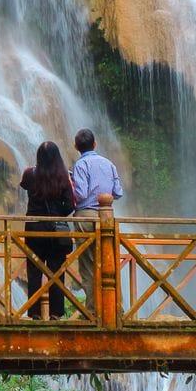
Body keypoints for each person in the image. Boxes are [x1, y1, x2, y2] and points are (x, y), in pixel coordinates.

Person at [20, 141, 76, 320]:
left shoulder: (29, 174)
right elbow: (70, 205)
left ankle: (35, 313)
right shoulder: (64, 177)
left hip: (34, 227)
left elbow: (25, 185)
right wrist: (57, 214)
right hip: (56, 230)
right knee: (56, 271)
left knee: (34, 270)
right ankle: (55, 313)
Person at [71, 128, 122, 312]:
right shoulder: (109, 164)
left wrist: (71, 184)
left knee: (88, 264)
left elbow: (81, 194)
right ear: (95, 144)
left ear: (76, 147)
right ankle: (115, 308)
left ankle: (93, 310)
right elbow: (118, 192)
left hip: (86, 216)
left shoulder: (80, 165)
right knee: (109, 262)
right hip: (107, 217)